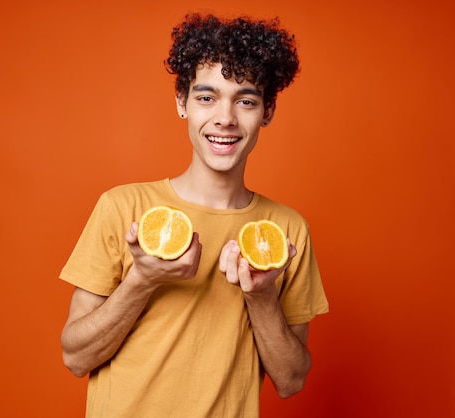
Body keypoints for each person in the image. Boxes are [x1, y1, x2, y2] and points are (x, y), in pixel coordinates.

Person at [59, 13, 329, 417]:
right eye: (207, 97)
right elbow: (76, 357)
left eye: (246, 100)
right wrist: (141, 280)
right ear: (182, 103)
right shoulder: (122, 208)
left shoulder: (286, 233)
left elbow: (291, 381)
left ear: (267, 111)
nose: (225, 118)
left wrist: (261, 297)